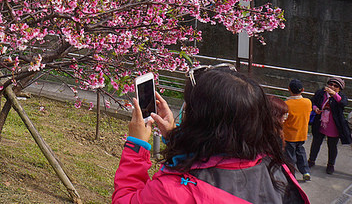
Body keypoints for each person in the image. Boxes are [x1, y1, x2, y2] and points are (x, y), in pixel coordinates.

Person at [113, 66, 309, 204]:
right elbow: (214, 161)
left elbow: (125, 200)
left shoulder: (175, 192)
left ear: (199, 121)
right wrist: (174, 135)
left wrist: (136, 147)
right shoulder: (273, 167)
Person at [308, 76, 351, 174]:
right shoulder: (321, 93)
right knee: (316, 143)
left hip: (334, 125)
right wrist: (315, 108)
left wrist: (334, 95)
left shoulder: (340, 97)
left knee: (332, 146)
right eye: (330, 84)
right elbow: (313, 101)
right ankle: (311, 160)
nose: (332, 87)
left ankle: (330, 164)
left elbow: (343, 103)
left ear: (339, 89)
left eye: (335, 86)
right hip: (321, 123)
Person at [284, 79, 313, 181]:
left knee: (290, 156)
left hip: (289, 135)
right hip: (302, 133)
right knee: (300, 151)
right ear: (303, 90)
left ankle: (291, 174)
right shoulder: (308, 102)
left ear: (289, 89)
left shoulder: (287, 104)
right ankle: (306, 171)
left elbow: (283, 119)